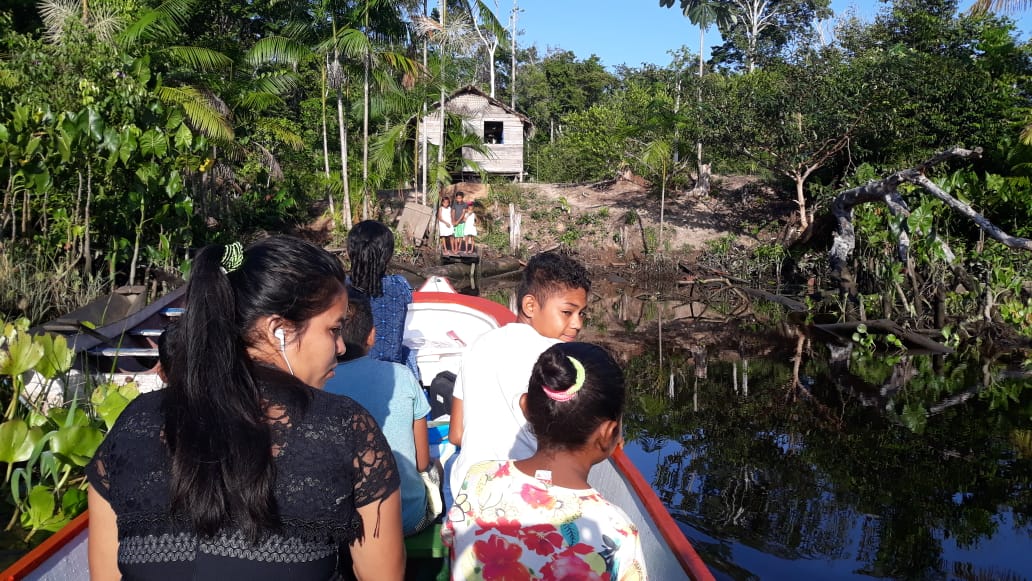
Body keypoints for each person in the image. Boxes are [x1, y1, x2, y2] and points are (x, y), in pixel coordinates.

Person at [85, 236, 405, 581]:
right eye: (334, 329)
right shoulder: (345, 427)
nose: (341, 347)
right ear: (278, 330)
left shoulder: (132, 424)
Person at [443, 342, 648, 580]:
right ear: (608, 433)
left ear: (526, 408)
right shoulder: (617, 532)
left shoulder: (479, 479)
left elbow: (453, 548)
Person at [447, 251, 590, 495]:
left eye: (581, 313)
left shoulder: (477, 344)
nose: (577, 324)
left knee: (451, 463)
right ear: (530, 306)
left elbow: (456, 434)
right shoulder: (559, 359)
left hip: (468, 491)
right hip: (526, 494)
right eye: (567, 312)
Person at [324, 288, 441, 537]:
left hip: (341, 524)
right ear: (372, 336)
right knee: (437, 469)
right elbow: (421, 462)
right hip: (407, 520)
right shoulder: (403, 375)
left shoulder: (318, 384)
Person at [347, 220, 420, 383]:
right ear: (388, 256)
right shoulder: (400, 285)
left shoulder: (340, 289)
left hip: (349, 367)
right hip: (390, 372)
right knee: (408, 353)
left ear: (348, 252)